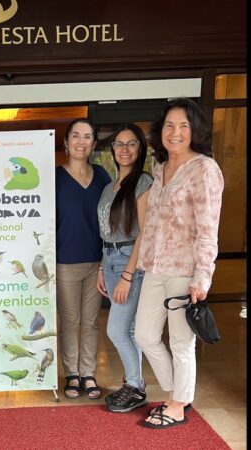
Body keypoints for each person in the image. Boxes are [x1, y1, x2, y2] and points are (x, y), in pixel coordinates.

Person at [135, 98, 224, 428]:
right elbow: (153, 221)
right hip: (155, 267)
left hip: (184, 270)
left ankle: (176, 405)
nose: (175, 132)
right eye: (169, 126)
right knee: (144, 335)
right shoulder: (160, 169)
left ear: (195, 130)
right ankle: (178, 395)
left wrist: (202, 276)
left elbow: (207, 229)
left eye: (183, 126)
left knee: (180, 342)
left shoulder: (204, 170)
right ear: (161, 132)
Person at [96, 123, 152, 412]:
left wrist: (128, 276)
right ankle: (134, 385)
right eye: (120, 144)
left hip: (131, 261)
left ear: (140, 148)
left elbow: (144, 232)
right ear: (113, 149)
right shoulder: (109, 186)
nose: (125, 149)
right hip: (110, 258)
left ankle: (135, 386)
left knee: (116, 331)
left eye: (132, 144)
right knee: (128, 331)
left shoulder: (143, 182)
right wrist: (102, 269)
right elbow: (107, 231)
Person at [56, 118, 111, 399]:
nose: (81, 141)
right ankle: (72, 374)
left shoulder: (102, 175)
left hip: (98, 262)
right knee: (70, 321)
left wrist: (108, 259)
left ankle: (88, 372)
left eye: (87, 136)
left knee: (91, 321)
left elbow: (112, 218)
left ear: (93, 143)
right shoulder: (54, 178)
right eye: (75, 136)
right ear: (66, 142)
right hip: (64, 262)